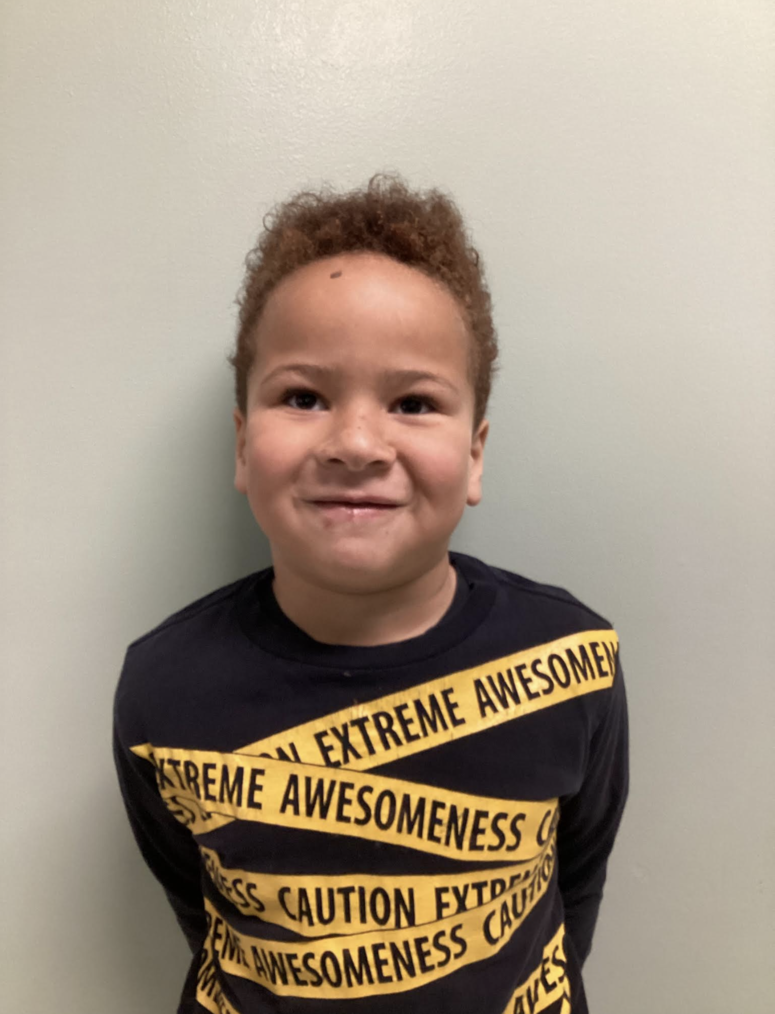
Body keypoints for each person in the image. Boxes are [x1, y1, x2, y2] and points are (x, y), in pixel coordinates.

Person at [113, 173, 628, 1014]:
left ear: (474, 456)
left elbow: (575, 885)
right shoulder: (162, 685)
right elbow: (199, 908)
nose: (355, 442)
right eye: (303, 397)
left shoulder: (571, 662)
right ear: (244, 447)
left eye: (414, 402)